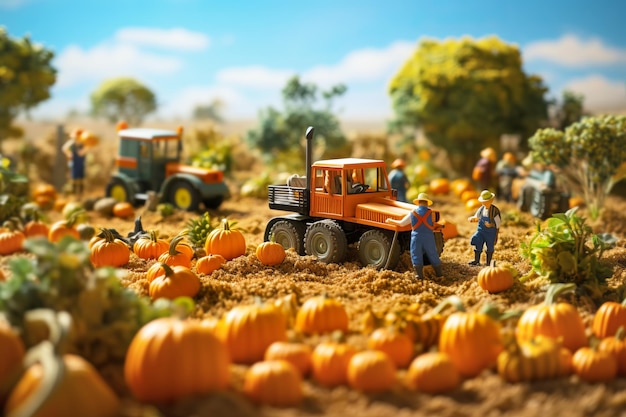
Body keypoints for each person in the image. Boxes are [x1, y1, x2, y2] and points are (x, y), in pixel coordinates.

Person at [386, 192, 443, 279]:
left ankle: (419, 275)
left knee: (416, 254)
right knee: (433, 254)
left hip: (417, 237)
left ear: (418, 202)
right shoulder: (430, 213)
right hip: (429, 237)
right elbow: (433, 224)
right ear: (427, 203)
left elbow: (402, 223)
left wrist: (391, 221)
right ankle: (439, 274)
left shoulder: (413, 213)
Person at [468, 190, 501, 266]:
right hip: (481, 230)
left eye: (485, 201)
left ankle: (488, 262)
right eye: (483, 201)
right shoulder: (481, 209)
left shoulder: (495, 211)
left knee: (489, 246)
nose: (483, 203)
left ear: (491, 200)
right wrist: (473, 218)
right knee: (477, 241)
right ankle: (476, 260)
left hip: (490, 232)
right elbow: (477, 216)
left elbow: (498, 223)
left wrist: (491, 225)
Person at [62, 128, 89, 197]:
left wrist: (83, 152)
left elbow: (85, 150)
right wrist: (69, 154)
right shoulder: (72, 143)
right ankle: (73, 195)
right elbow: (64, 148)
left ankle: (80, 195)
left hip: (81, 163)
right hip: (74, 163)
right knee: (73, 178)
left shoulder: (84, 143)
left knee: (81, 179)